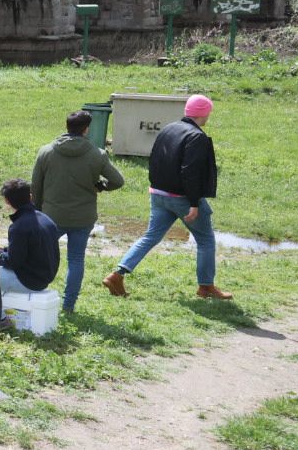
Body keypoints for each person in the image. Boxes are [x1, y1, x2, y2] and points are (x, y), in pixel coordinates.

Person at [105, 94, 231, 300]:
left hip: (158, 194)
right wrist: (194, 203)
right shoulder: (196, 136)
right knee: (206, 239)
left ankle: (117, 274)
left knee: (150, 237)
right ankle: (206, 287)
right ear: (204, 113)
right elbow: (190, 172)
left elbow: (154, 159)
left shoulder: (169, 128)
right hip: (181, 197)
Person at [31, 110, 125, 312]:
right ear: (86, 129)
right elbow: (118, 181)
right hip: (83, 218)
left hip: (51, 217)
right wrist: (101, 186)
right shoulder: (96, 154)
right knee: (76, 260)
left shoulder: (46, 152)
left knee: (41, 256)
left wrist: (36, 213)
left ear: (67, 127)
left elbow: (36, 187)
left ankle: (37, 296)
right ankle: (68, 305)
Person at [0, 179, 60, 295]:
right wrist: (5, 250)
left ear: (7, 201)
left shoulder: (18, 227)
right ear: (30, 197)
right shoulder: (47, 220)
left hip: (28, 282)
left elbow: (13, 262)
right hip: (43, 280)